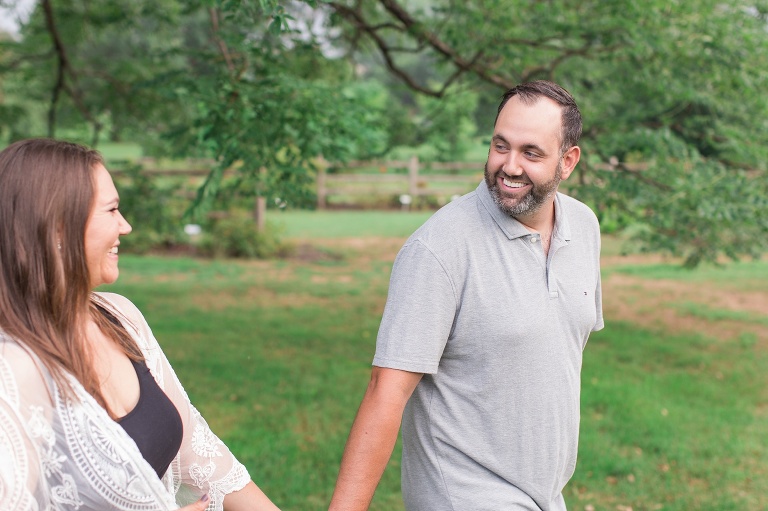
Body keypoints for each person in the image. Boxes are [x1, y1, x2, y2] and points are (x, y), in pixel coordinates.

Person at [329, 80, 604, 511]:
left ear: (567, 161)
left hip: (545, 496)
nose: (509, 166)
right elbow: (387, 390)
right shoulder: (440, 248)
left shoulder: (584, 228)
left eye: (531, 153)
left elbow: (560, 349)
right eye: (500, 146)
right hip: (462, 494)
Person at [0, 138, 281, 511]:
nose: (126, 226)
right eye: (112, 210)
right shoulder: (16, 371)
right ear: (56, 228)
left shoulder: (120, 318)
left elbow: (200, 454)